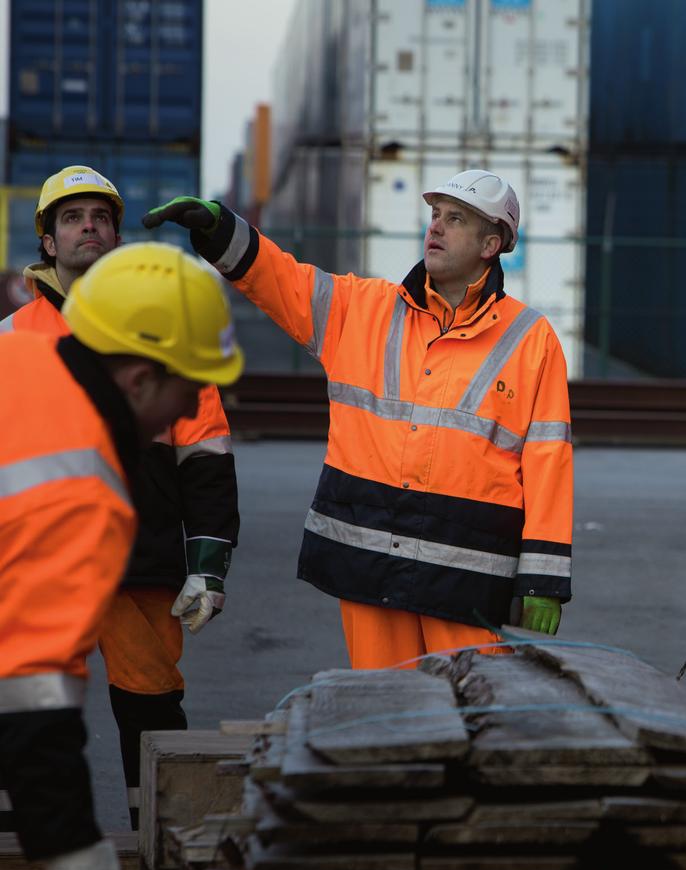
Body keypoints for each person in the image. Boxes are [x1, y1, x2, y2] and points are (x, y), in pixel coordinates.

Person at [143, 169, 572, 669]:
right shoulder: (363, 309)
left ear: (491, 243)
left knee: (472, 720)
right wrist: (222, 233)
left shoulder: (531, 339)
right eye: (434, 215)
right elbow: (283, 282)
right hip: (372, 566)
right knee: (383, 719)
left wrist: (544, 579)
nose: (435, 227)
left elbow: (548, 460)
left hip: (468, 578)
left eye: (455, 219)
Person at [0, 166, 241, 829]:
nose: (89, 228)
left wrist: (209, 564)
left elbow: (206, 452)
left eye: (100, 217)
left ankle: (158, 840)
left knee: (151, 706)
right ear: (48, 241)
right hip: (39, 567)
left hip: (141, 562)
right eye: (72, 218)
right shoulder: (12, 338)